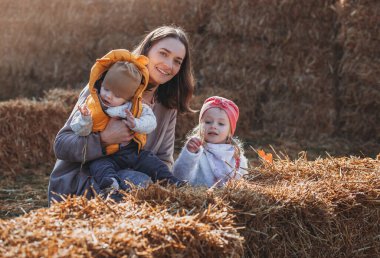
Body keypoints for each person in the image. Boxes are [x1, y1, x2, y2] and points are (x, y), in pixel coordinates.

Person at [48, 25, 195, 204]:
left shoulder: (167, 106)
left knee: (140, 182)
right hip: (80, 184)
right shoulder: (107, 87)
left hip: (134, 178)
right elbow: (62, 145)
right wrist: (103, 139)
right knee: (136, 182)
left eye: (177, 61)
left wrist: (161, 191)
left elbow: (164, 158)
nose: (169, 65)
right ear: (147, 51)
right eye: (163, 53)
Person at [70, 53, 183, 193]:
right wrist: (85, 119)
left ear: (128, 97)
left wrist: (135, 123)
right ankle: (110, 183)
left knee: (150, 161)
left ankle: (171, 181)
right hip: (104, 154)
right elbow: (79, 130)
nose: (108, 96)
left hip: (131, 152)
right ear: (101, 84)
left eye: (117, 95)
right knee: (99, 166)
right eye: (106, 89)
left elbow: (150, 122)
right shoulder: (92, 105)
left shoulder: (134, 107)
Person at [173, 96, 248, 187]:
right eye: (208, 122)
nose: (213, 126)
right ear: (200, 126)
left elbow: (243, 183)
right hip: (198, 198)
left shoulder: (236, 157)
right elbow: (179, 177)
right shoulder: (196, 151)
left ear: (230, 132)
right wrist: (189, 154)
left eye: (221, 124)